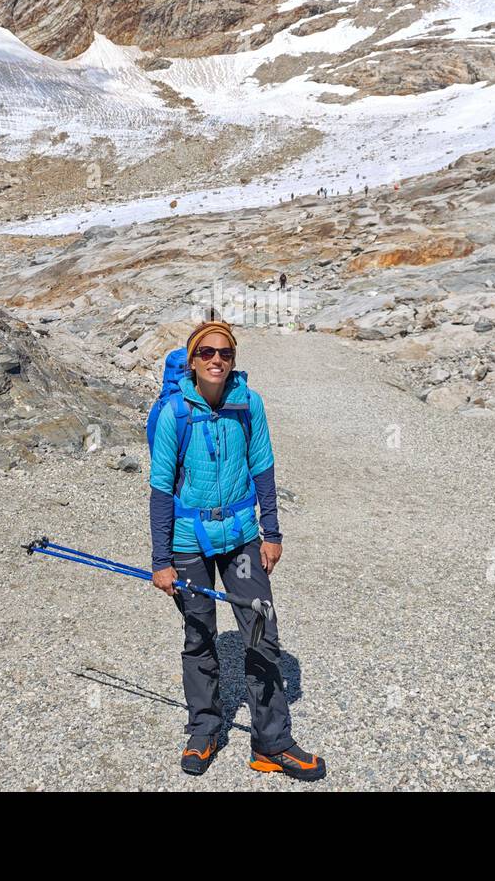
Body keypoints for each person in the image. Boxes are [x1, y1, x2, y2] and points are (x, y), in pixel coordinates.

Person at [148, 320, 326, 781]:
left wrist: (273, 532)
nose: (216, 360)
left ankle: (273, 744)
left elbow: (264, 467)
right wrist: (161, 561)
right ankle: (204, 731)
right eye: (206, 352)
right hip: (189, 543)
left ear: (233, 359)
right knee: (198, 635)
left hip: (244, 538)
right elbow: (161, 490)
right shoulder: (174, 414)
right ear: (192, 360)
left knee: (261, 630)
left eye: (224, 353)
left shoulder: (249, 404)